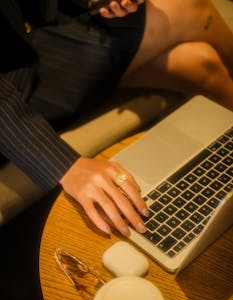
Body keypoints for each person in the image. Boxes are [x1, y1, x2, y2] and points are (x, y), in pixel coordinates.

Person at [1, 0, 233, 238]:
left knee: (201, 62)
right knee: (188, 6)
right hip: (12, 90)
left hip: (27, 43)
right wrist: (63, 164)